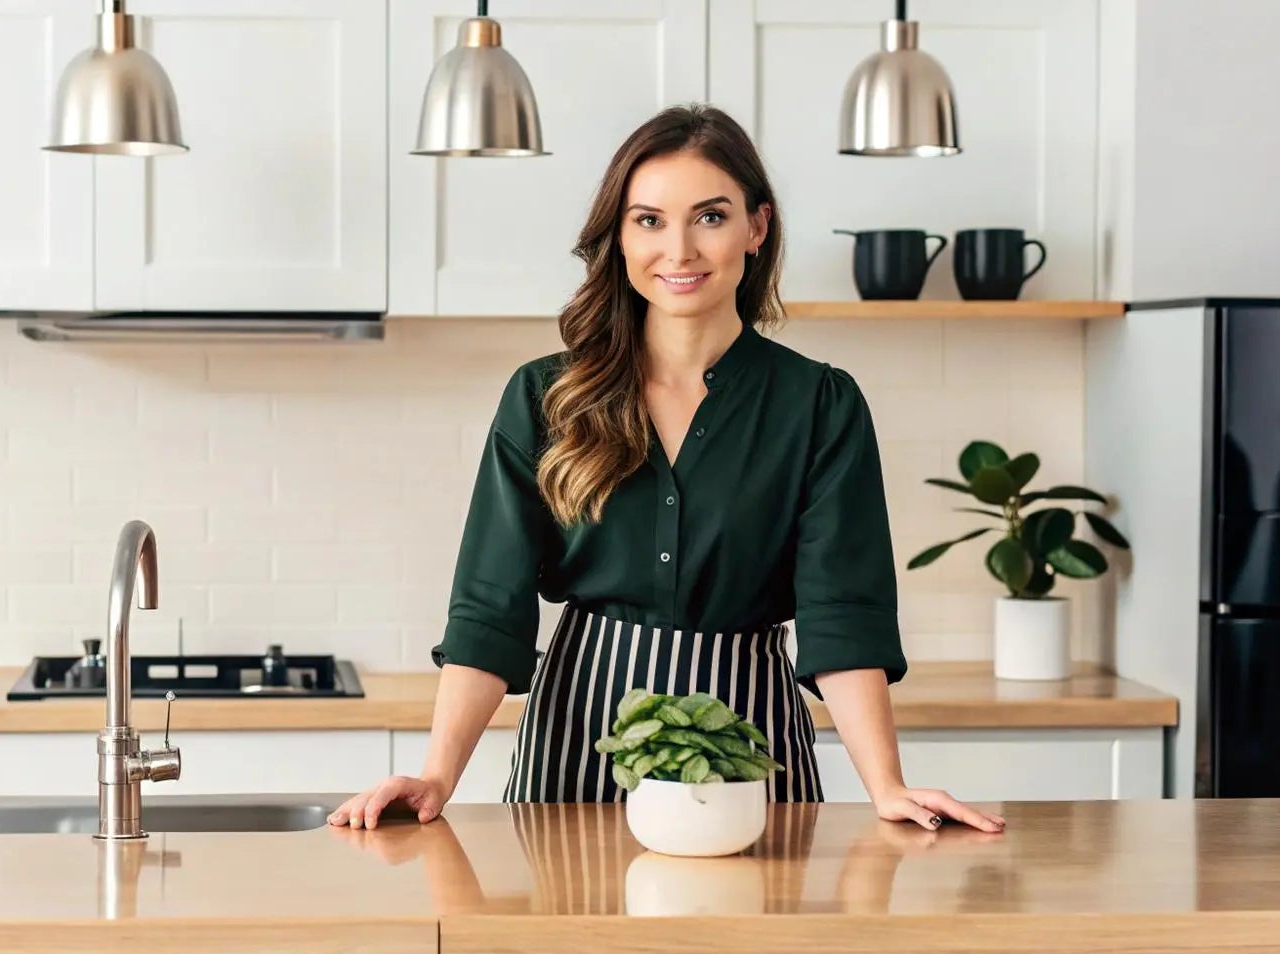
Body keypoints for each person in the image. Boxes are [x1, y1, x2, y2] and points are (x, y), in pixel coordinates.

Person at [329, 104, 1004, 835]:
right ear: (618, 237)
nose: (678, 249)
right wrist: (436, 775)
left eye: (709, 217)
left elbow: (842, 612)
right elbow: (492, 605)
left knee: (747, 947)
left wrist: (887, 786)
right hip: (578, 736)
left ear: (757, 227)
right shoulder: (546, 397)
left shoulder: (819, 405)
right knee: (572, 944)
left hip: (749, 743)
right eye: (648, 220)